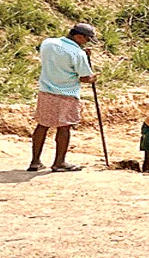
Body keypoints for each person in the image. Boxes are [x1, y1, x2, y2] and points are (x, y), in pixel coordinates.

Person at [28, 23, 98, 173]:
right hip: (67, 94)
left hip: (46, 91)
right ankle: (59, 162)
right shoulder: (77, 54)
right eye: (86, 39)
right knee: (64, 127)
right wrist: (92, 77)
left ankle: (35, 161)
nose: (87, 42)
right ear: (78, 36)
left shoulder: (48, 43)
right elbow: (85, 77)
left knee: (42, 125)